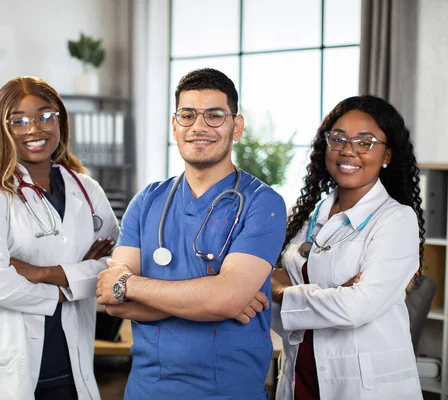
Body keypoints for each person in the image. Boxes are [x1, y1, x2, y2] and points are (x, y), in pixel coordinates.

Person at [96, 68, 287, 399]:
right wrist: (212, 298)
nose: (199, 126)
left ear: (236, 126)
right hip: (147, 389)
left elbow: (226, 299)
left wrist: (133, 285)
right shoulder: (147, 201)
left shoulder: (263, 203)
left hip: (228, 391)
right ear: (175, 125)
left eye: (214, 116)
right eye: (188, 115)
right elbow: (113, 301)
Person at [0, 76, 119, 399]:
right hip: (11, 367)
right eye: (18, 121)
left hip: (72, 364)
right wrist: (68, 288)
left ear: (60, 120)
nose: (34, 129)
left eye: (45, 116)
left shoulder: (85, 189)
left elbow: (116, 267)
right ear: (2, 129)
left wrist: (43, 274)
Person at [271, 95, 424, 399]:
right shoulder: (307, 217)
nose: (348, 150)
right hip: (300, 374)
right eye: (338, 138)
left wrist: (282, 291)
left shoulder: (396, 220)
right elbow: (262, 293)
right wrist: (332, 293)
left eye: (365, 142)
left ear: (387, 156)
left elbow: (357, 308)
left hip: (364, 386)